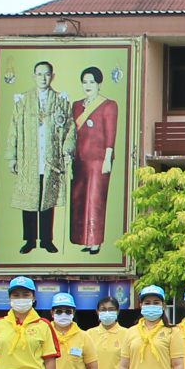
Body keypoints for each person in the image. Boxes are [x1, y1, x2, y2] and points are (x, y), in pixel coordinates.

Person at [5, 59, 74, 257]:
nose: (43, 78)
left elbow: (70, 129)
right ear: (33, 76)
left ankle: (46, 240)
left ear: (52, 77)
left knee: (47, 201)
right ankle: (29, 240)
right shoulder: (23, 101)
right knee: (29, 200)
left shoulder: (61, 100)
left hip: (50, 160)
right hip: (29, 159)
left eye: (46, 74)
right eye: (39, 74)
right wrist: (12, 157)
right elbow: (13, 131)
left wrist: (67, 150)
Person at [67, 65, 119, 254]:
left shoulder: (108, 105)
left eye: (92, 82)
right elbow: (72, 134)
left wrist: (107, 159)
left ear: (99, 84)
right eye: (85, 82)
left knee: (95, 200)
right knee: (79, 200)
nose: (88, 85)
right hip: (79, 159)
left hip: (98, 160)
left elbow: (110, 133)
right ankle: (83, 239)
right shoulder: (77, 106)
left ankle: (96, 241)